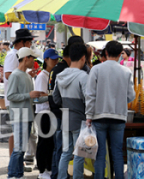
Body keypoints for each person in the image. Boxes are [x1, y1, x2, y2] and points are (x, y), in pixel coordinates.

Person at [85, 41, 135, 179]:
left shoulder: (96, 69)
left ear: (106, 53)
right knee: (117, 153)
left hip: (99, 116)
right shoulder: (126, 71)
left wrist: (89, 115)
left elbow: (90, 94)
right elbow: (131, 96)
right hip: (119, 117)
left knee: (100, 153)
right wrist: (119, 100)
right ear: (120, 54)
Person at [6, 46, 46, 179]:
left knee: (21, 148)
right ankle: (13, 174)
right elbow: (11, 96)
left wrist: (44, 97)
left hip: (27, 115)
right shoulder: (16, 75)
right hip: (19, 116)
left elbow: (29, 97)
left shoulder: (26, 76)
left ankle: (17, 174)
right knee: (18, 149)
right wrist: (29, 95)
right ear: (26, 58)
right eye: (32, 58)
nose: (33, 61)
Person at [54, 43, 88, 179]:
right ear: (83, 58)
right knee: (80, 153)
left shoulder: (60, 75)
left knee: (66, 152)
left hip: (65, 118)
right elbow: (88, 99)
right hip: (80, 118)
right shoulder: (83, 76)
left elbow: (56, 98)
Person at [4, 28, 35, 157]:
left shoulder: (18, 55)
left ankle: (16, 161)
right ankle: (14, 161)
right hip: (15, 99)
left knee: (20, 133)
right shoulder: (13, 55)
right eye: (29, 43)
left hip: (20, 98)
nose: (30, 45)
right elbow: (8, 75)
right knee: (16, 133)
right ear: (22, 42)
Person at [35, 49, 59, 179]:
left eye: (56, 59)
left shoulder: (51, 75)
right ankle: (41, 169)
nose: (55, 61)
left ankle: (49, 168)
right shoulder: (42, 76)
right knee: (44, 142)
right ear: (46, 60)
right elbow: (40, 94)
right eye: (53, 59)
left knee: (50, 143)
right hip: (43, 112)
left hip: (51, 112)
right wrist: (53, 95)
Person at [49, 45, 71, 179]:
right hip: (61, 112)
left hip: (53, 110)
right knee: (61, 147)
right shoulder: (65, 70)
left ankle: (55, 173)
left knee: (57, 146)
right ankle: (58, 174)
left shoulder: (54, 70)